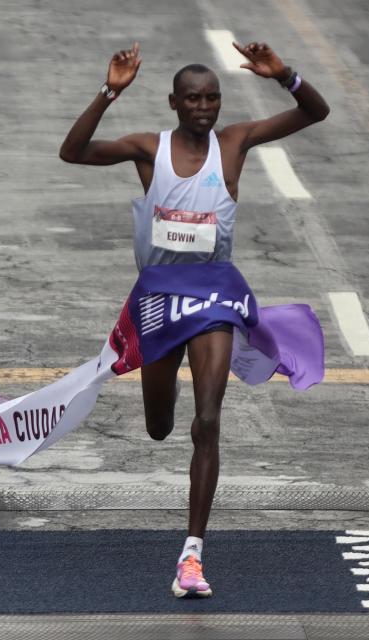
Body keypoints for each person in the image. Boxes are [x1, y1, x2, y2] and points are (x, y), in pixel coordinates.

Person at [59, 40, 329, 598]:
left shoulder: (234, 143)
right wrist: (109, 90)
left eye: (213, 98)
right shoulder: (146, 150)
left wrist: (285, 75)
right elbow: (73, 151)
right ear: (174, 104)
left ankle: (192, 555)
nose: (205, 108)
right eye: (194, 99)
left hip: (213, 294)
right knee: (160, 426)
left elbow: (314, 113)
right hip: (159, 296)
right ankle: (170, 384)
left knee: (207, 421)